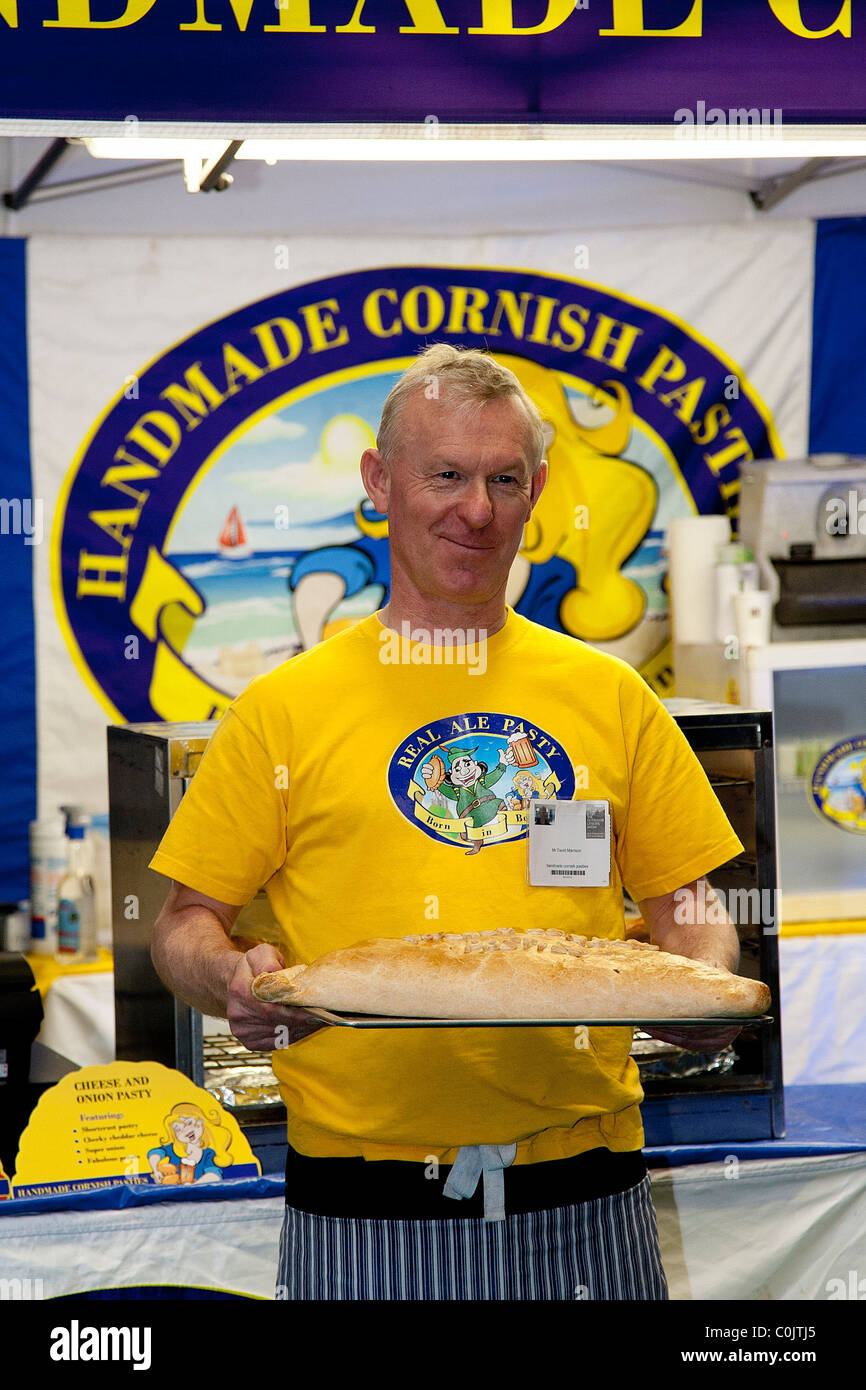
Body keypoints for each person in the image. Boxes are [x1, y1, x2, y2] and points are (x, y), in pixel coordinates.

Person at [149, 343, 744, 1301]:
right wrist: (231, 978)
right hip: (362, 1198)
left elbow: (691, 905)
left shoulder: (611, 696)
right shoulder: (281, 710)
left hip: (587, 1190)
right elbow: (183, 925)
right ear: (379, 483)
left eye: (505, 478)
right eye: (447, 476)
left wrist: (704, 985)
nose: (478, 510)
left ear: (539, 488)